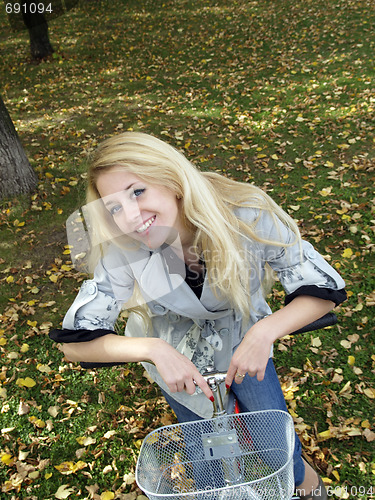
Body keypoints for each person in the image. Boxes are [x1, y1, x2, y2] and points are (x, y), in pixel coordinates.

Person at [49, 132, 346, 500]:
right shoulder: (122, 249)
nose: (129, 217)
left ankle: (305, 484)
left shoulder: (248, 213)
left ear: (172, 179)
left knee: (276, 442)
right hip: (177, 356)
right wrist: (154, 349)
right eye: (113, 207)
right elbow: (75, 346)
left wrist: (264, 332)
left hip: (245, 338)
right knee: (206, 456)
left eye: (137, 191)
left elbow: (322, 291)